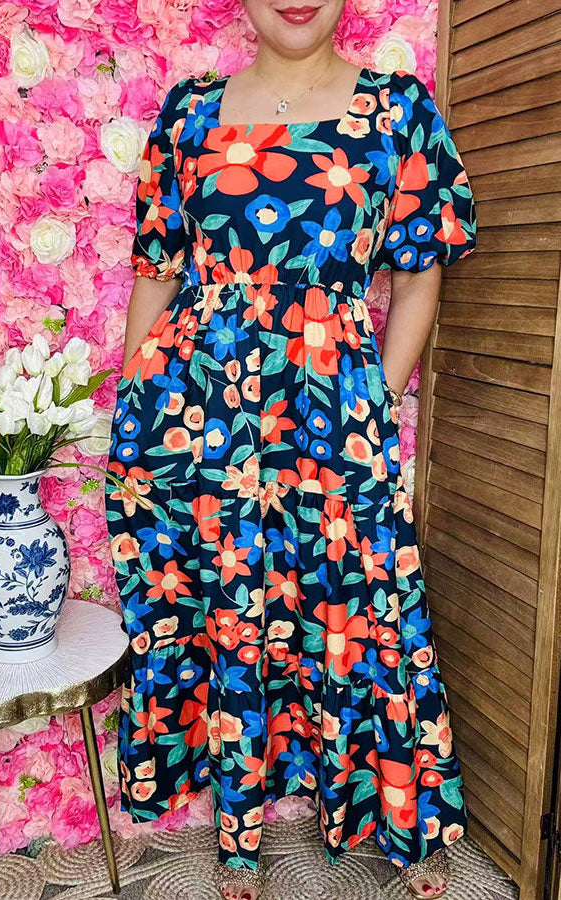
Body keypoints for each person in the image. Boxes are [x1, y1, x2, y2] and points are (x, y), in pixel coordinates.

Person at [104, 1, 478, 898]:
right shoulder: (189, 110)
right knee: (228, 608)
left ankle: (403, 819)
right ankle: (238, 838)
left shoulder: (397, 108)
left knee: (365, 606)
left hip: (332, 417)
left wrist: (373, 402)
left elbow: (419, 275)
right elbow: (157, 273)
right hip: (195, 421)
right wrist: (131, 411)